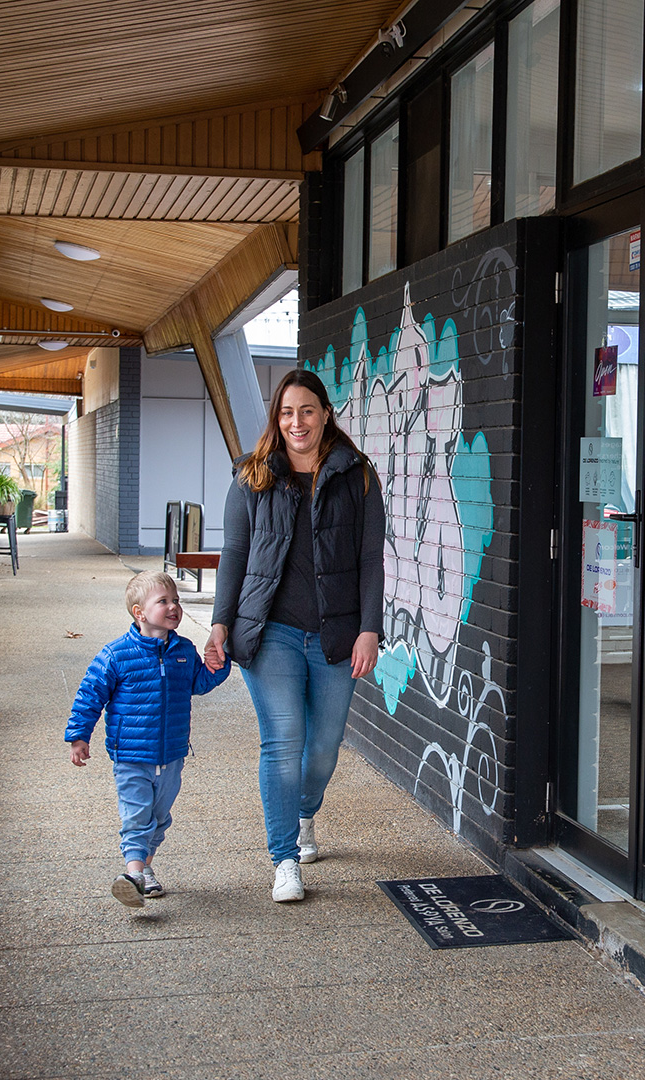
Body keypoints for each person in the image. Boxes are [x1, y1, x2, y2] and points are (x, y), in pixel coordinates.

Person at [205, 370, 385, 903]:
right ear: (276, 418)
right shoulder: (253, 475)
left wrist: (369, 629)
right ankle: (283, 858)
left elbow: (370, 561)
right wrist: (220, 623)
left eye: (307, 410)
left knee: (323, 750)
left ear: (325, 413)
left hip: (336, 632)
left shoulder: (359, 477)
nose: (296, 421)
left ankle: (305, 812)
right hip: (270, 633)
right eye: (286, 412)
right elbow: (234, 556)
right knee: (282, 743)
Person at [65, 570, 229, 908]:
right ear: (139, 612)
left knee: (160, 816)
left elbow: (197, 684)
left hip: (171, 753)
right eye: (163, 601)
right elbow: (89, 695)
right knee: (137, 815)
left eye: (176, 601)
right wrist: (79, 736)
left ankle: (145, 870)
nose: (173, 607)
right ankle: (134, 874)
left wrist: (217, 666)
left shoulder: (183, 650)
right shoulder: (116, 655)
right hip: (131, 755)